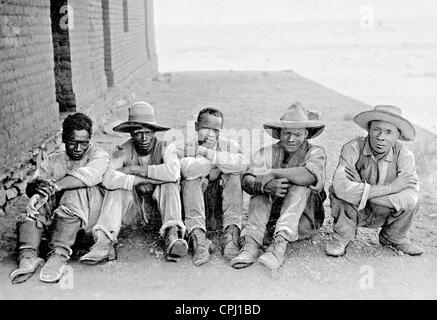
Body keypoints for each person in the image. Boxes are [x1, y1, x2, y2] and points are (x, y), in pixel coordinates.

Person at [80, 101, 188, 264]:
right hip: (133, 212)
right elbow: (108, 179)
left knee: (169, 184)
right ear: (131, 133)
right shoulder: (121, 150)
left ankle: (171, 234)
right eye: (138, 133)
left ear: (154, 132)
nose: (144, 138)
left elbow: (173, 173)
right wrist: (138, 182)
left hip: (159, 211)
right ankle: (104, 241)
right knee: (117, 187)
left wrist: (133, 170)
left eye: (148, 132)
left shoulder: (166, 147)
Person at [10, 113, 110, 284]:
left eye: (83, 143)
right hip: (57, 224)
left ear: (89, 141)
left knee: (74, 190)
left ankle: (59, 255)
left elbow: (88, 176)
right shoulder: (54, 160)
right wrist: (37, 190)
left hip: (89, 221)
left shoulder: (98, 155)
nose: (78, 149)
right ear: (64, 139)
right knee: (38, 198)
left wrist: (54, 186)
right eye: (73, 143)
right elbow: (33, 182)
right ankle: (29, 255)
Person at [231, 102, 327, 270]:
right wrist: (265, 185)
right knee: (261, 189)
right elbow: (247, 179)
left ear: (306, 134)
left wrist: (274, 173)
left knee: (299, 188)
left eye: (297, 134)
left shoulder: (316, 152)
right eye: (287, 133)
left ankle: (279, 247)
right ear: (279, 134)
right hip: (271, 218)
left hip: (303, 219)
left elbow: (308, 175)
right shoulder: (268, 152)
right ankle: (252, 243)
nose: (291, 139)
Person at [325, 105, 423, 257]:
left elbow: (411, 198)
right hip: (355, 208)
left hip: (382, 209)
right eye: (376, 129)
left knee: (414, 202)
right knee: (337, 194)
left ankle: (393, 237)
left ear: (397, 135)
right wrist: (392, 187)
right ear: (368, 130)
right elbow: (340, 186)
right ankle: (342, 237)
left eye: (389, 132)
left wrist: (363, 190)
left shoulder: (405, 155)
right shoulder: (352, 148)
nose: (381, 137)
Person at [178, 107, 247, 266]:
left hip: (220, 210)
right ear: (196, 126)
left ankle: (231, 233)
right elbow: (187, 170)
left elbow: (242, 165)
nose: (210, 134)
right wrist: (213, 159)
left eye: (215, 130)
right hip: (196, 207)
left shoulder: (230, 146)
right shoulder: (185, 148)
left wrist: (209, 154)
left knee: (234, 174)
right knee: (192, 177)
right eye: (205, 128)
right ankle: (199, 237)